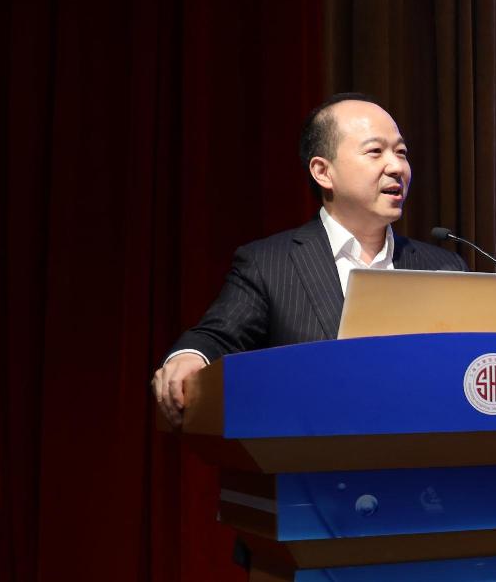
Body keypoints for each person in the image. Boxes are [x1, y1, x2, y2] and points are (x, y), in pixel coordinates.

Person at [151, 93, 466, 425]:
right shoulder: (269, 264)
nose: (397, 167)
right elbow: (216, 337)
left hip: (422, 449)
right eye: (375, 151)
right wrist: (188, 357)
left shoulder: (442, 267)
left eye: (401, 152)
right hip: (311, 448)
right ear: (323, 172)